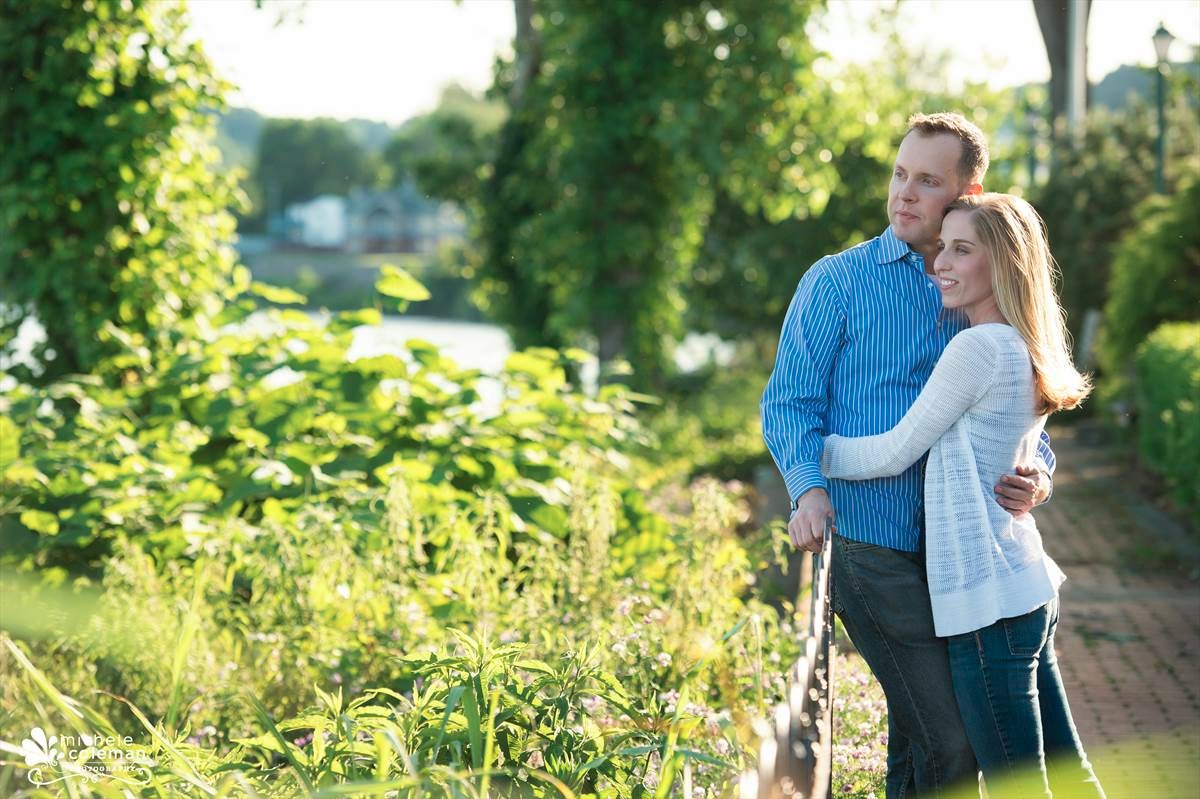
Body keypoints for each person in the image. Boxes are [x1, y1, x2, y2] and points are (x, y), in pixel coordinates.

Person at [760, 112, 1056, 797]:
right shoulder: (838, 281)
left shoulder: (978, 275)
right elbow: (788, 402)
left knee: (919, 735)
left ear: (966, 189)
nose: (904, 194)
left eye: (927, 180)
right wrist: (808, 490)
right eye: (899, 175)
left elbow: (1022, 393)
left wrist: (1039, 469)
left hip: (959, 550)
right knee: (953, 736)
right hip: (870, 543)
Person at [819, 192, 1106, 799]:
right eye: (941, 247)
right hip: (1021, 585)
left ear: (1001, 264)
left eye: (961, 250)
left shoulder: (976, 349)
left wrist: (812, 455)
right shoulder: (1017, 345)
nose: (939, 264)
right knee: (1066, 774)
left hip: (988, 604)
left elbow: (896, 451)